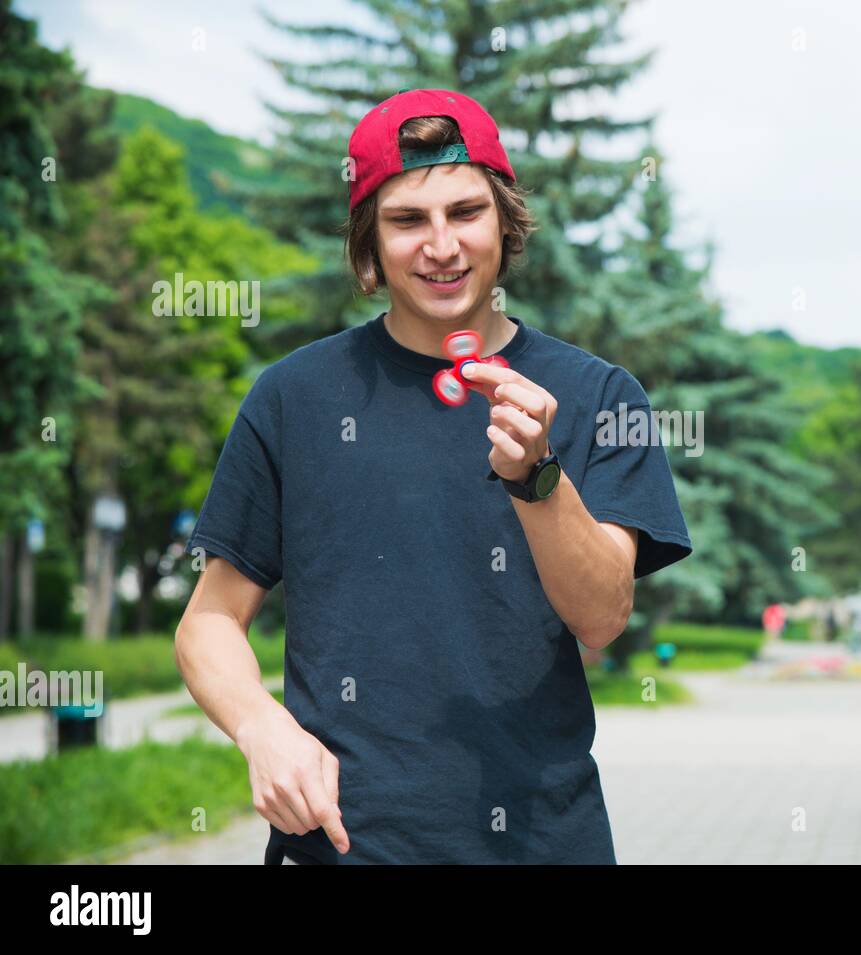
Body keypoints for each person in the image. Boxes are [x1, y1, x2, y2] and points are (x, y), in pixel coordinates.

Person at [174, 89, 693, 865]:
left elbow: (604, 615)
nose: (442, 245)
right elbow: (208, 620)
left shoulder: (596, 395)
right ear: (370, 243)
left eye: (466, 212)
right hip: (344, 849)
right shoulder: (294, 397)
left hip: (542, 844)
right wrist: (261, 726)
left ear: (505, 221)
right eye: (408, 220)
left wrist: (536, 478)